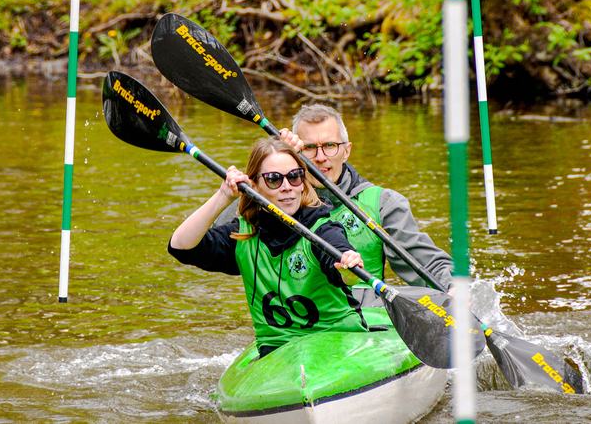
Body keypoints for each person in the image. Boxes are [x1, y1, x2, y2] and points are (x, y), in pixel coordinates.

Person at [168, 137, 367, 357]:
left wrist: (348, 264)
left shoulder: (321, 228)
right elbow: (180, 246)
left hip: (338, 339)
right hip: (277, 351)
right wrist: (223, 195)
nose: (286, 188)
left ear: (303, 182)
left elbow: (345, 270)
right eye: (274, 179)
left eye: (294, 177)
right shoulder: (244, 236)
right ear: (255, 186)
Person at [280, 103, 454, 295]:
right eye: (309, 148)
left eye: (330, 146)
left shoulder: (384, 204)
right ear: (295, 154)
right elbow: (244, 226)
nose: (320, 157)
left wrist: (453, 286)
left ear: (346, 151)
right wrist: (278, 165)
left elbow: (427, 262)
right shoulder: (273, 200)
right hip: (300, 319)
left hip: (369, 319)